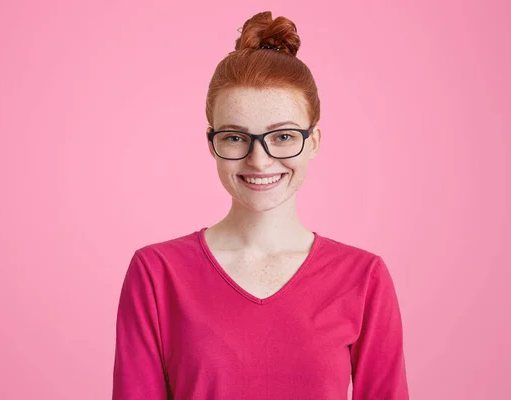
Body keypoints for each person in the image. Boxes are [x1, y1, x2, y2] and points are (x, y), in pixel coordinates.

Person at [112, 10, 409, 400]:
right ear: (211, 142)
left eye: (283, 136)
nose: (259, 160)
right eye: (236, 138)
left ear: (314, 140)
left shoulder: (364, 278)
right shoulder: (156, 274)